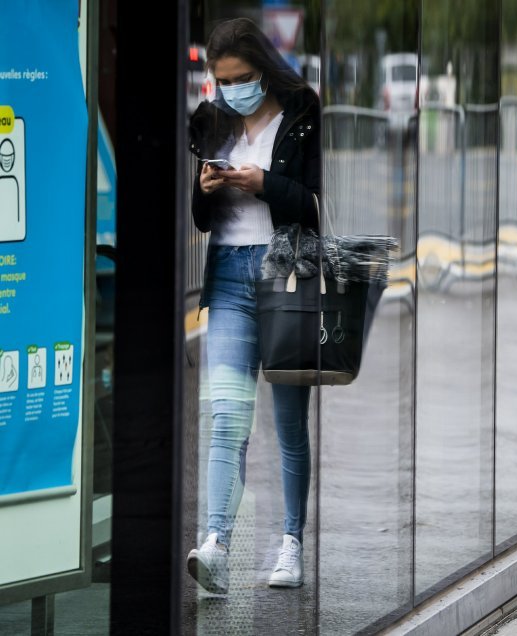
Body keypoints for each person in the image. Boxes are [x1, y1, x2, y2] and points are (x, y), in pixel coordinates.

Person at [185, 17, 320, 594]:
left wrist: (262, 182)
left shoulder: (302, 114)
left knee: (288, 422)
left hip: (284, 277)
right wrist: (205, 189)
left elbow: (313, 204)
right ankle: (216, 543)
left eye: (240, 77)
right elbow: (198, 218)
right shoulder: (211, 122)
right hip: (230, 279)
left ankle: (291, 543)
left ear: (262, 70)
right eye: (221, 80)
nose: (230, 89)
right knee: (227, 416)